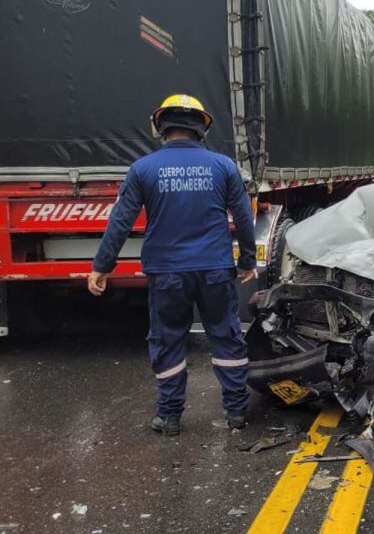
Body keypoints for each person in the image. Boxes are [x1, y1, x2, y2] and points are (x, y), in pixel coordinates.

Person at [88, 94, 257, 437]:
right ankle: (237, 412)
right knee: (226, 336)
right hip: (214, 269)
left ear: (161, 127)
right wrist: (247, 260)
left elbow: (120, 221)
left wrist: (102, 266)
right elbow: (242, 217)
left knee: (167, 340)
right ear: (201, 129)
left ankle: (169, 418)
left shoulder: (143, 169)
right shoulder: (224, 166)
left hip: (166, 272)